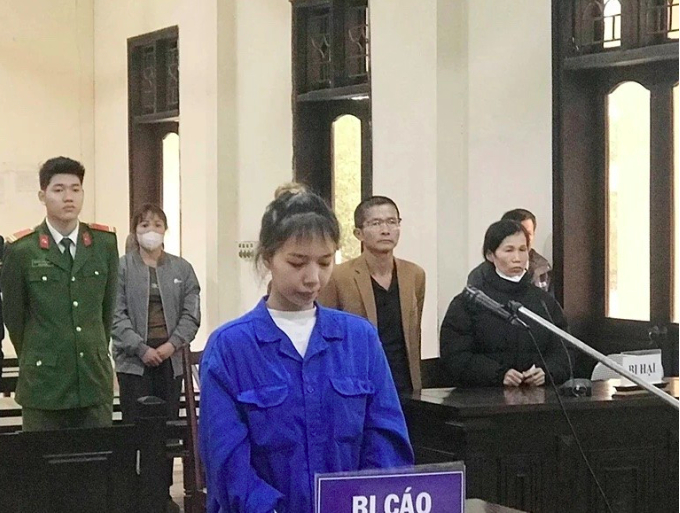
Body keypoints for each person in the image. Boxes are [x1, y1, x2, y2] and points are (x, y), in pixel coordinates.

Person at [199, 189, 414, 513]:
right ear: (268, 257)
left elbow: (387, 440)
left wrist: (365, 502)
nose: (313, 278)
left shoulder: (359, 340)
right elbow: (227, 462)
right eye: (297, 263)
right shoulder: (231, 348)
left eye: (325, 262)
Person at [0, 156, 119, 431]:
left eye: (75, 189)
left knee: (98, 457)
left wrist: (93, 349)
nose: (68, 197)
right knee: (44, 458)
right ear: (42, 196)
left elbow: (106, 311)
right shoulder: (22, 250)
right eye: (59, 189)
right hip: (44, 384)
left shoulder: (103, 244)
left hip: (93, 380)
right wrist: (40, 354)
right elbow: (15, 319)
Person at [111, 204, 200, 513]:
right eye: (144, 225)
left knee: (166, 429)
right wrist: (141, 348)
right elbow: (114, 314)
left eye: (157, 224)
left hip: (170, 360)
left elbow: (191, 314)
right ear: (135, 230)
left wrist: (171, 345)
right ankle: (133, 495)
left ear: (165, 230)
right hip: (133, 362)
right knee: (134, 429)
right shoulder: (122, 267)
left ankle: (162, 493)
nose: (151, 230)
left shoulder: (182, 269)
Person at [441, 219, 572, 388]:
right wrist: (498, 374)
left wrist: (546, 372)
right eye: (509, 250)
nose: (517, 258)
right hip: (483, 396)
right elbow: (455, 355)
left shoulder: (543, 301)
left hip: (537, 395)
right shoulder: (469, 302)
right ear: (490, 255)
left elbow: (564, 350)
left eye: (522, 250)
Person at [318, 196, 426, 392]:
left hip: (404, 383)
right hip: (356, 381)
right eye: (376, 223)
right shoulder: (338, 276)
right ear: (358, 233)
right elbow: (326, 334)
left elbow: (414, 334)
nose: (385, 230)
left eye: (392, 222)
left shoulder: (414, 274)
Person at [468, 208, 552, 293]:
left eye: (528, 233)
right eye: (509, 250)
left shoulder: (543, 269)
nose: (524, 238)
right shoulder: (480, 276)